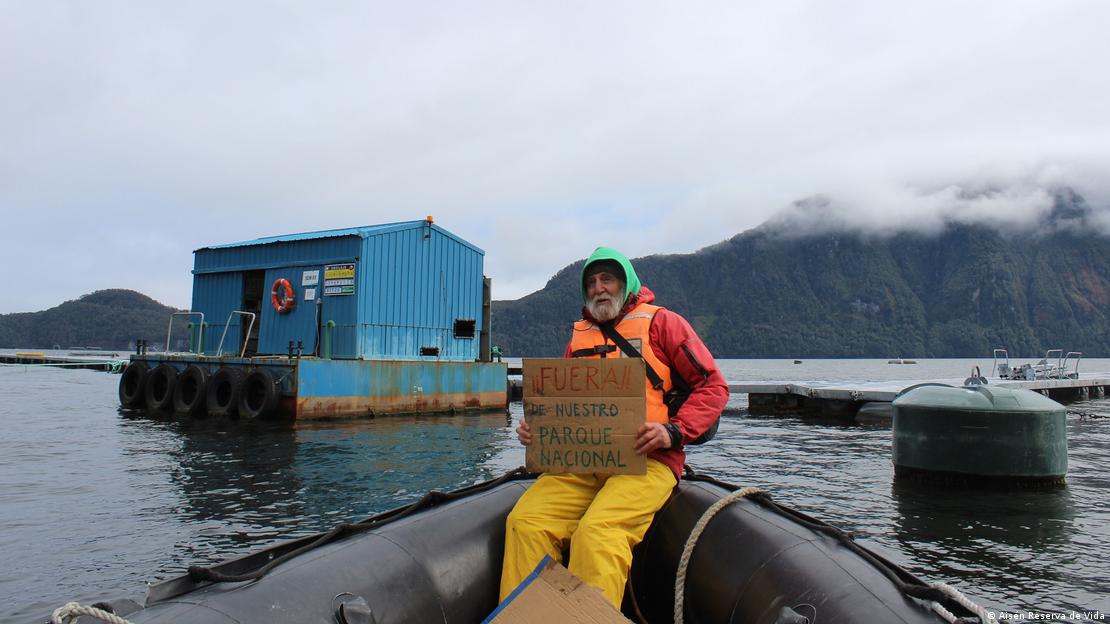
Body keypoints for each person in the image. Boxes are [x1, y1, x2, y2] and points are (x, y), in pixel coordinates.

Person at [499, 246, 730, 609]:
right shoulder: (578, 337)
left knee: (598, 533)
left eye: (607, 278)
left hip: (646, 461)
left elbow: (713, 387)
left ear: (626, 283)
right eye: (591, 282)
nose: (598, 288)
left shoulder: (663, 323)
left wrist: (671, 431)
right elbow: (563, 405)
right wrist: (538, 430)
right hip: (582, 463)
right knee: (525, 522)